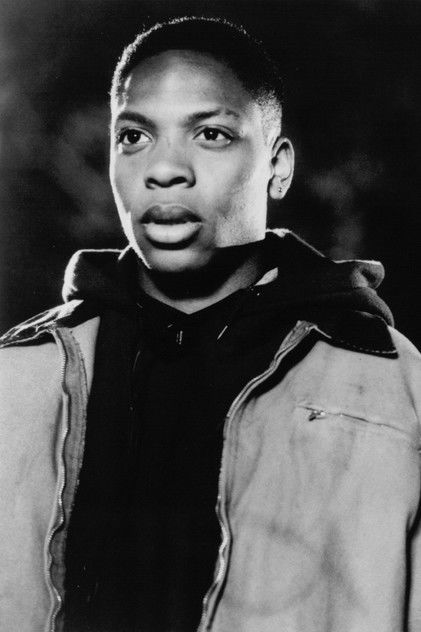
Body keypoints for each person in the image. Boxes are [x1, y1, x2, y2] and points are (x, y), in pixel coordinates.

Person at [1, 15, 421, 632]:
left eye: (212, 134)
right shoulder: (15, 379)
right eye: (134, 137)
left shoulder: (398, 393)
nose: (165, 169)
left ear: (278, 166)